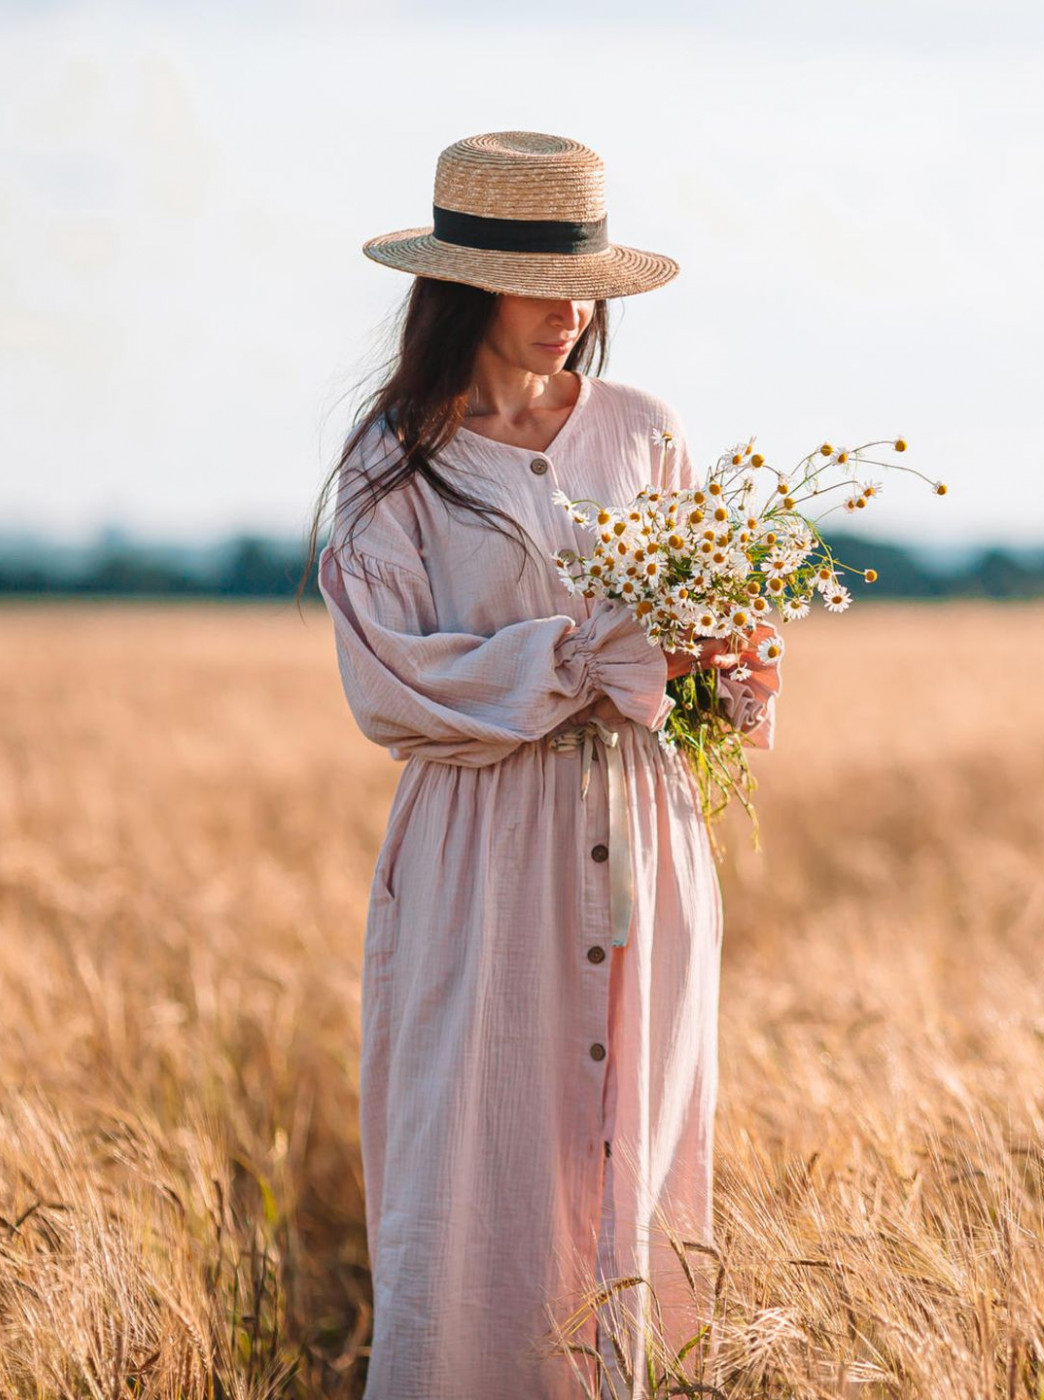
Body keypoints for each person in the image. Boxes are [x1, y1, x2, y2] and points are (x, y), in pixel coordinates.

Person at [306, 131, 783, 1400]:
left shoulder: (645, 431)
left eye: (586, 285)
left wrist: (726, 659)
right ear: (459, 285)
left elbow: (691, 662)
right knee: (474, 1153)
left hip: (644, 826)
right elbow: (393, 680)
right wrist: (590, 652)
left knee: (639, 1141)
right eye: (540, 282)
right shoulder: (391, 464)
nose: (571, 312)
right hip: (483, 845)